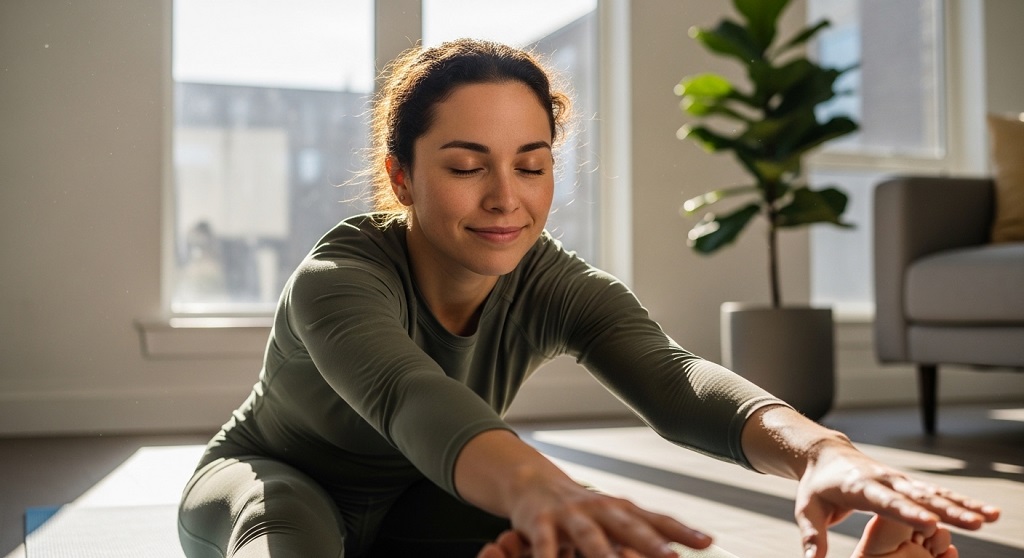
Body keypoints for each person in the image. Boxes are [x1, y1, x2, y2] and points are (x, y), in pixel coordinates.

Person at [177, 38, 998, 558]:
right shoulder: (340, 278)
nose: (507, 197)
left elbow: (675, 380)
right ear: (402, 177)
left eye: (531, 165)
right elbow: (411, 398)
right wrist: (548, 488)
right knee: (291, 527)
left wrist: (825, 452)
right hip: (274, 481)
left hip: (428, 499)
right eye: (467, 166)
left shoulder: (552, 281)